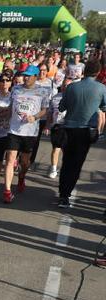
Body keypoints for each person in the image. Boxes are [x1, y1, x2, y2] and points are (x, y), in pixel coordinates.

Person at [57, 59, 106, 208]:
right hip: (85, 131)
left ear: (84, 71)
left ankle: (63, 193)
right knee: (77, 164)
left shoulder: (72, 87)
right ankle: (66, 194)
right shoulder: (101, 88)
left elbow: (61, 107)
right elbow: (104, 107)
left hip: (69, 128)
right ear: (98, 72)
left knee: (67, 162)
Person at [2, 65, 49, 203]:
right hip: (14, 130)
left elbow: (45, 110)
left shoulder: (43, 91)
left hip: (30, 132)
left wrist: (34, 117)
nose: (26, 78)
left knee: (25, 162)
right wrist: (5, 113)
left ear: (35, 76)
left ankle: (21, 177)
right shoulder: (16, 89)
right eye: (25, 75)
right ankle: (7, 191)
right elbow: (12, 107)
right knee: (10, 160)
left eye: (29, 75)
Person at [44, 84, 67, 180]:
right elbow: (50, 112)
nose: (65, 87)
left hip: (68, 127)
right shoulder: (55, 97)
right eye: (64, 85)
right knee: (56, 149)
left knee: (66, 150)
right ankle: (53, 169)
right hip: (56, 126)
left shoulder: (74, 96)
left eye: (68, 86)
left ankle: (66, 169)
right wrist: (47, 126)